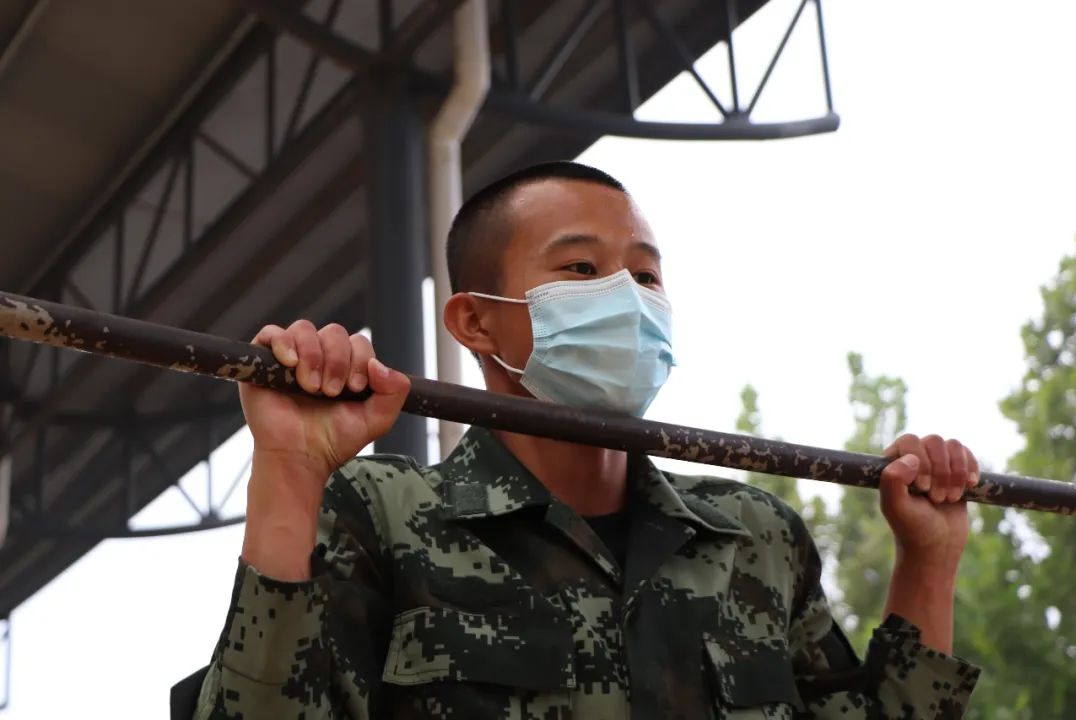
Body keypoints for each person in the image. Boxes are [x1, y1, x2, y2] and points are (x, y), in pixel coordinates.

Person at [189, 162, 981, 719]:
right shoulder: (385, 516)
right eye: (580, 268)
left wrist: (929, 559)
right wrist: (289, 472)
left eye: (644, 276)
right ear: (476, 320)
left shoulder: (755, 536)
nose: (628, 300)